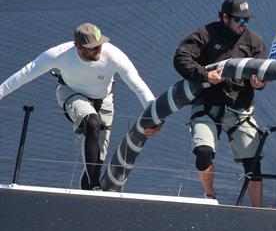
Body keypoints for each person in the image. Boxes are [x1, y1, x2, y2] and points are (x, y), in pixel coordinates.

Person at [0, 23, 159, 189]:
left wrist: (156, 118)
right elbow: (27, 72)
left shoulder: (114, 55)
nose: (98, 50)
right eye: (92, 48)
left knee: (96, 163)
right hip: (70, 92)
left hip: (103, 100)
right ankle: (95, 185)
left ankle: (89, 190)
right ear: (78, 47)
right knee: (92, 122)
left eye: (99, 45)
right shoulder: (59, 54)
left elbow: (138, 86)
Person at [174, 0, 268, 206]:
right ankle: (210, 196)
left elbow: (263, 74)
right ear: (225, 17)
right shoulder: (206, 34)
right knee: (203, 153)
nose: (243, 25)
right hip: (208, 106)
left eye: (246, 20)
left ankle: (258, 212)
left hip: (240, 110)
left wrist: (259, 84)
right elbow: (181, 58)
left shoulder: (255, 42)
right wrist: (204, 75)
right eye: (239, 20)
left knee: (253, 163)